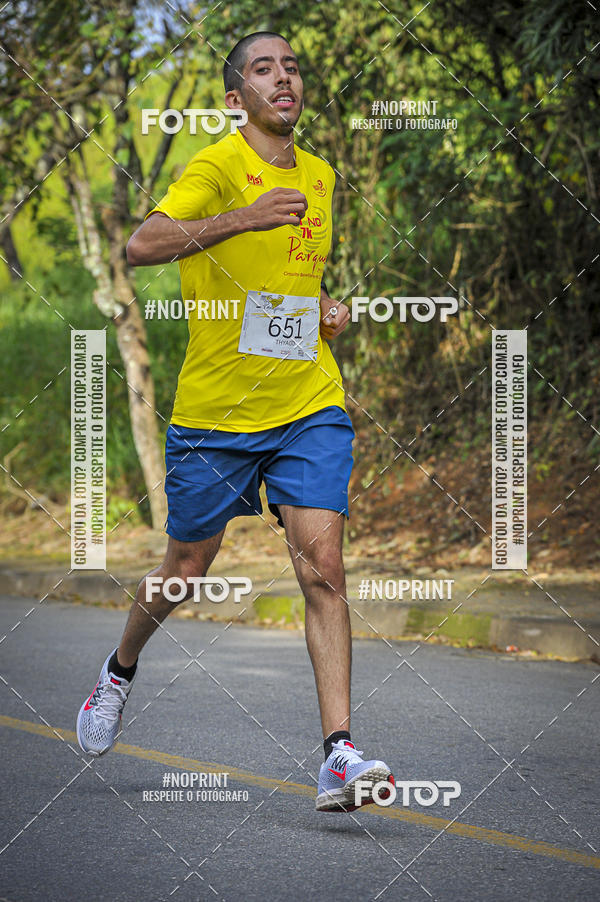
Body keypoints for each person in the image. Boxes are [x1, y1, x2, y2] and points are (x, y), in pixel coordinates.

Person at [76, 31, 393, 813]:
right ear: (235, 97)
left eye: (291, 66)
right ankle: (118, 671)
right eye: (263, 69)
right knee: (186, 568)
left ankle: (337, 755)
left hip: (306, 403)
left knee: (323, 569)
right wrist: (241, 217)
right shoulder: (217, 166)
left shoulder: (320, 176)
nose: (282, 77)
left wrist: (320, 313)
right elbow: (142, 242)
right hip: (217, 413)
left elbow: (283, 286)